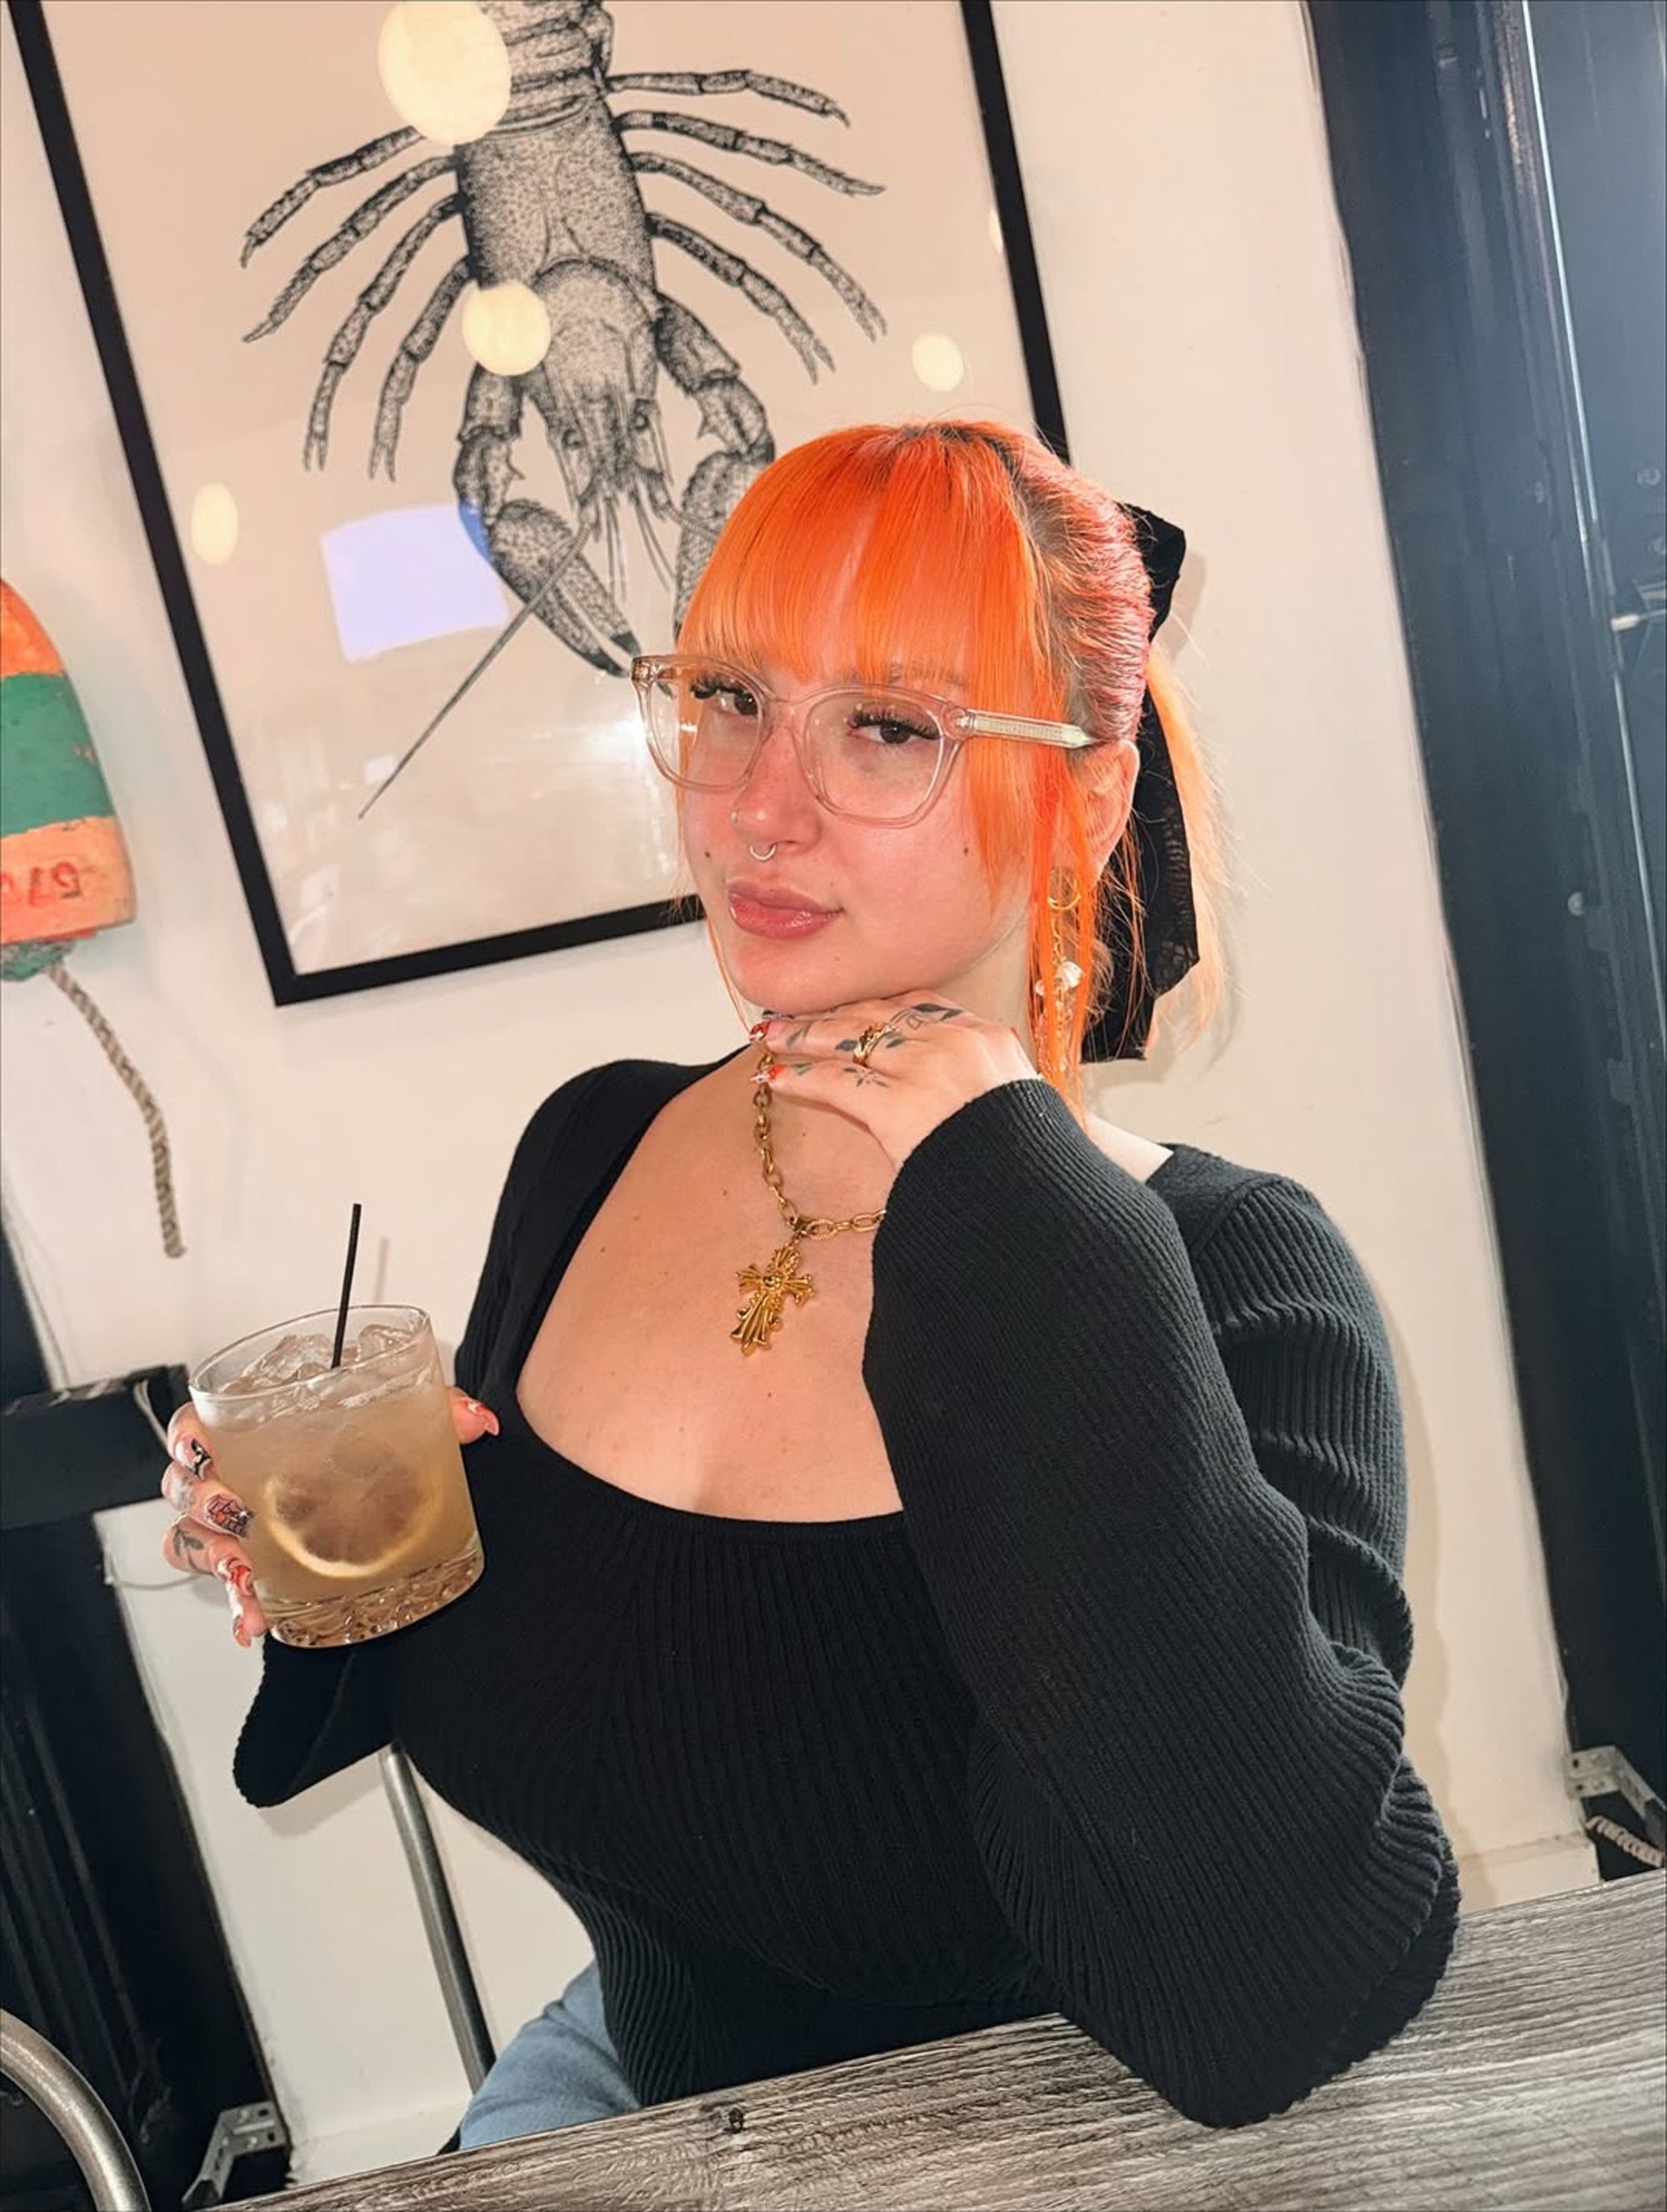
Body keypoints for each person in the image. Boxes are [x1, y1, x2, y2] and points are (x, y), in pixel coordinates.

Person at [162, 420, 1459, 2142]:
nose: (758, 808)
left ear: (1081, 797)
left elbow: (1266, 1982)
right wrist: (333, 1539)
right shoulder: (595, 1145)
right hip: (627, 2079)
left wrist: (1011, 1195)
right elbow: (620, 1670)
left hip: (1067, 2136)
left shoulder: (1241, 1288)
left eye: (890, 727)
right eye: (728, 699)